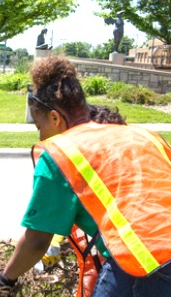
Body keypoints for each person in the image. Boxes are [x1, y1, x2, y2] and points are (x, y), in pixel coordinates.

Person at [0, 55, 171, 297]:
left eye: (40, 128)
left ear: (55, 117)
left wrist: (6, 279)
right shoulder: (143, 136)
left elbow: (37, 241)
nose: (41, 138)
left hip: (147, 268)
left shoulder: (62, 152)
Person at [33, 104, 126, 274]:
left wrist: (7, 279)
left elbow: (38, 237)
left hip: (137, 264)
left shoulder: (113, 176)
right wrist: (54, 240)